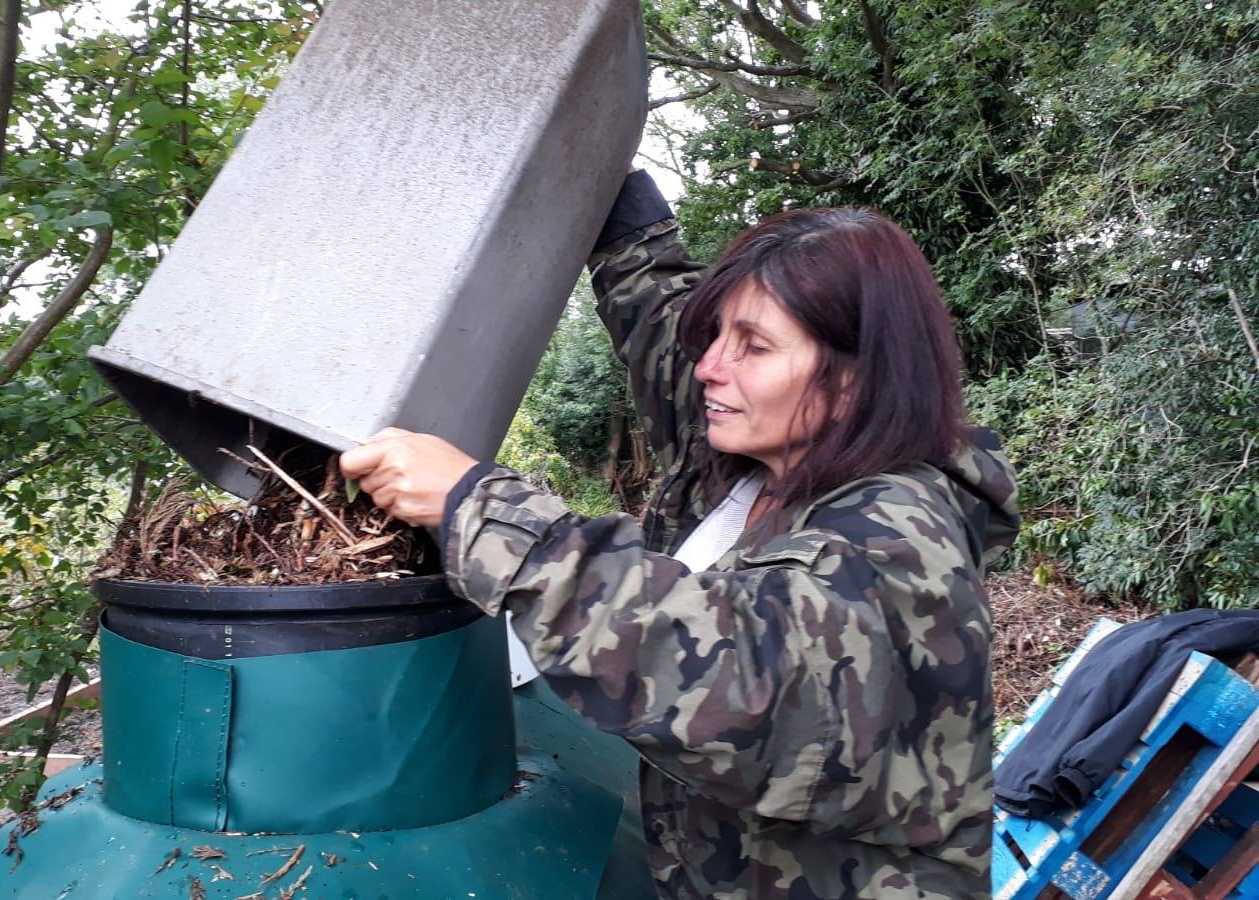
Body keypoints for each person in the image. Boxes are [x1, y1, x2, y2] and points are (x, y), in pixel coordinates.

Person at [339, 170, 1020, 899]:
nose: (710, 367)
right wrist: (608, 195)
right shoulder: (759, 458)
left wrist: (482, 509)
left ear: (853, 380)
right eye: (716, 333)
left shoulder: (904, 544)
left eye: (752, 347)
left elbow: (733, 683)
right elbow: (666, 331)